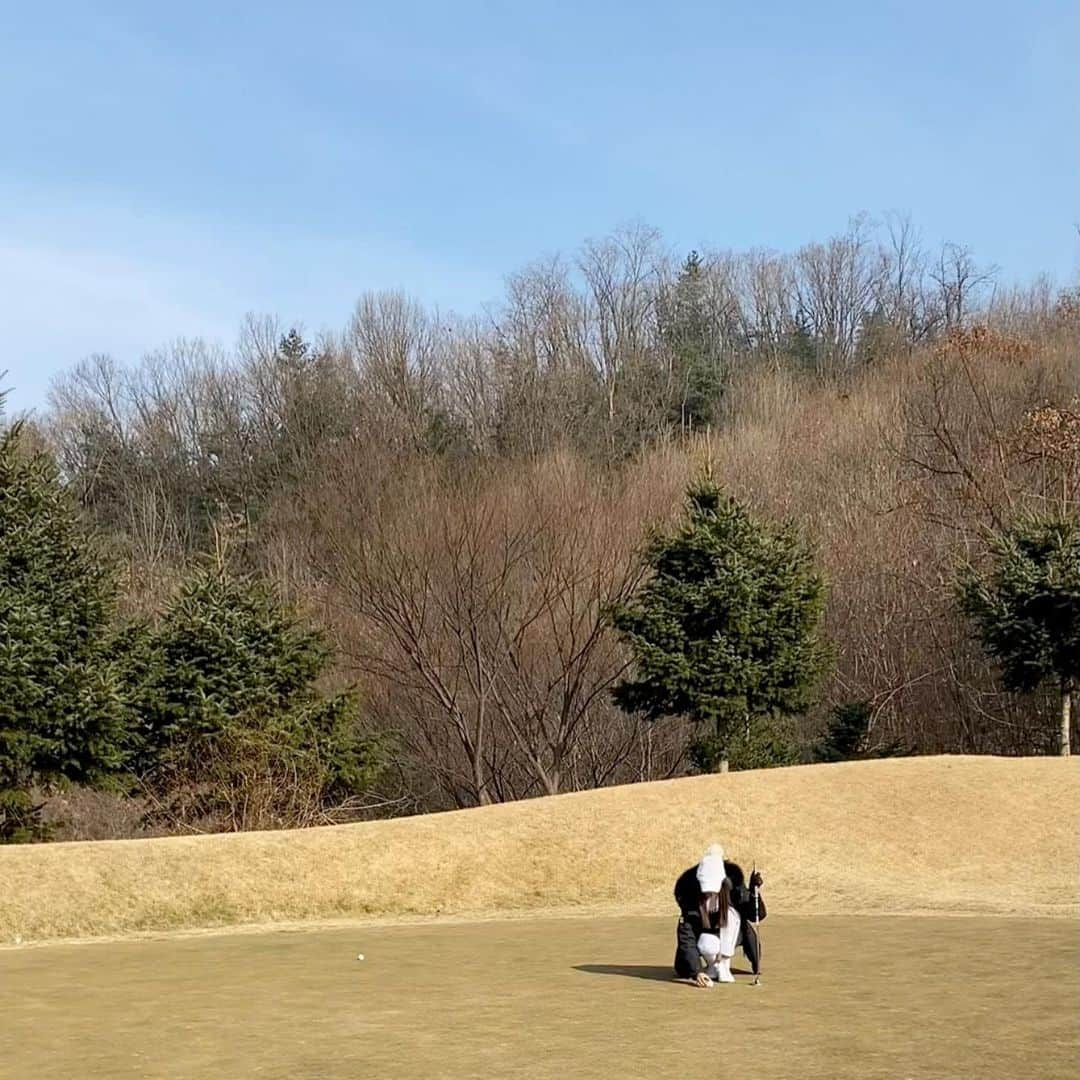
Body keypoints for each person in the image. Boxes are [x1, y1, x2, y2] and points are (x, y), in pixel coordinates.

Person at [673, 844, 766, 987]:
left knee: (732, 915)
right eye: (705, 892)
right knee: (706, 944)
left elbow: (755, 915)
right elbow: (687, 937)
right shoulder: (689, 896)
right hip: (704, 937)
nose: (709, 895)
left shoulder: (734, 888)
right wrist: (696, 971)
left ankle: (724, 964)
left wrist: (754, 893)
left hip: (732, 935)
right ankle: (712, 967)